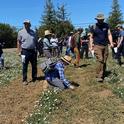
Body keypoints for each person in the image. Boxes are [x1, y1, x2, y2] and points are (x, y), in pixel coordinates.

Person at [89, 13, 114, 82]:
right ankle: (99, 76)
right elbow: (91, 37)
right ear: (97, 20)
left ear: (103, 19)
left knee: (104, 60)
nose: (101, 21)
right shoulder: (93, 27)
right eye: (99, 20)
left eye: (102, 19)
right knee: (100, 59)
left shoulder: (106, 25)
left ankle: (102, 73)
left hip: (105, 45)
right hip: (97, 45)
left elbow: (109, 34)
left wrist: (111, 43)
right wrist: (91, 46)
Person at [17, 19, 38, 85]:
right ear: (24, 24)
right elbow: (18, 42)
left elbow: (36, 42)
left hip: (33, 51)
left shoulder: (33, 32)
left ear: (30, 24)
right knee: (24, 66)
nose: (26, 25)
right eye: (25, 23)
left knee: (34, 65)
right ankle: (24, 79)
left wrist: (37, 50)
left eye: (27, 23)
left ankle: (34, 78)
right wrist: (19, 51)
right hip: (24, 51)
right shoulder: (20, 32)